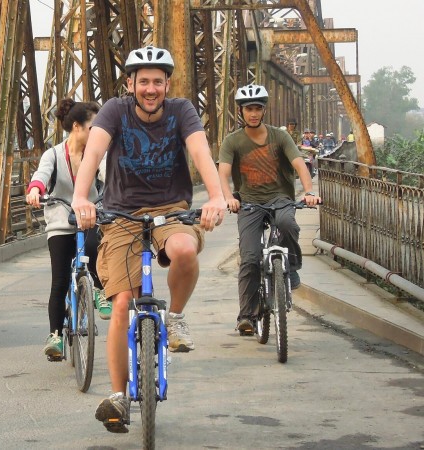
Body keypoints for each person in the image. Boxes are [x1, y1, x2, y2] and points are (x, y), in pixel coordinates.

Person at [70, 45, 227, 433]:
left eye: (158, 81)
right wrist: (80, 197)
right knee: (122, 302)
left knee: (185, 250)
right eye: (144, 82)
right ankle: (119, 397)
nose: (151, 89)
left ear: (167, 85)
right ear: (131, 84)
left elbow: (200, 152)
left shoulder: (181, 111)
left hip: (171, 207)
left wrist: (218, 196)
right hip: (122, 211)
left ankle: (174, 317)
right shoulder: (114, 110)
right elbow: (93, 153)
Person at [216, 84, 321, 335]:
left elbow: (299, 164)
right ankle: (247, 317)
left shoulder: (279, 136)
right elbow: (223, 172)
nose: (253, 113)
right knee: (250, 257)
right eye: (248, 109)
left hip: (280, 198)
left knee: (287, 225)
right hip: (250, 203)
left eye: (258, 109)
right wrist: (229, 197)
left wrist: (309, 192)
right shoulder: (233, 141)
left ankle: (291, 268)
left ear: (264, 110)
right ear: (241, 111)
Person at [25, 97, 109, 361]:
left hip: (89, 216)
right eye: (93, 127)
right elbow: (41, 174)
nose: (98, 133)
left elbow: (109, 174)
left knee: (96, 247)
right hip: (61, 219)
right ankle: (56, 336)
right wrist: (36, 189)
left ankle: (97, 289)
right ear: (77, 127)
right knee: (60, 280)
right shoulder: (53, 155)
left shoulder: (98, 153)